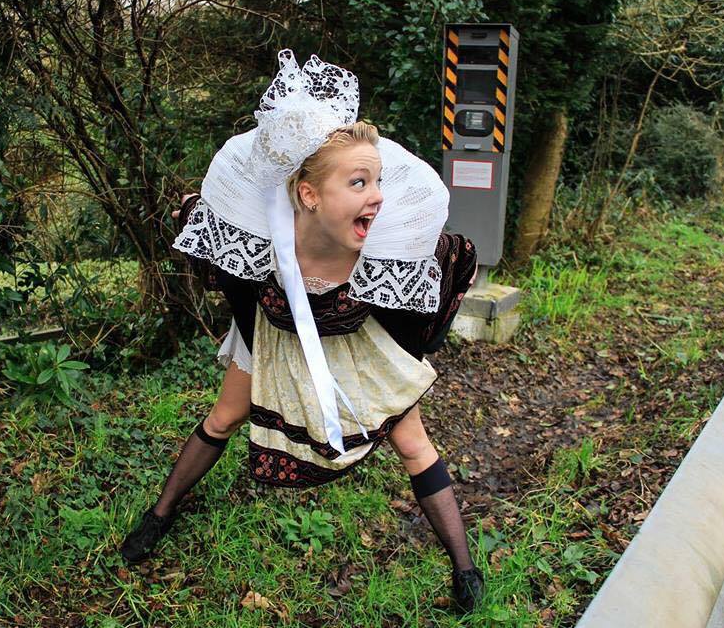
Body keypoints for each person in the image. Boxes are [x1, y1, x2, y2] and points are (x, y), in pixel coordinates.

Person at [119, 50, 484, 614]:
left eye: (377, 181)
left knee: (412, 442)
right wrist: (192, 209)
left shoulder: (387, 244)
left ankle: (464, 570)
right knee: (224, 416)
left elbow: (440, 277)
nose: (377, 195)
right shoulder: (261, 234)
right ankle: (160, 514)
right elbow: (216, 245)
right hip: (275, 331)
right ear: (309, 195)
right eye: (358, 182)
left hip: (358, 343)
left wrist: (448, 285)